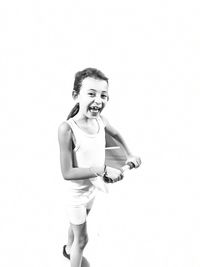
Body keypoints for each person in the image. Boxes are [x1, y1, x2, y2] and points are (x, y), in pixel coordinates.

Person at [58, 67, 141, 267]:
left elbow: (117, 134)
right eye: (91, 94)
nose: (98, 100)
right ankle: (74, 252)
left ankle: (69, 248)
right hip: (76, 195)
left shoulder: (101, 121)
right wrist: (103, 169)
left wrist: (129, 153)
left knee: (79, 222)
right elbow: (67, 173)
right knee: (83, 239)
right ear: (76, 96)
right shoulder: (67, 129)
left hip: (91, 189)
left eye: (103, 95)